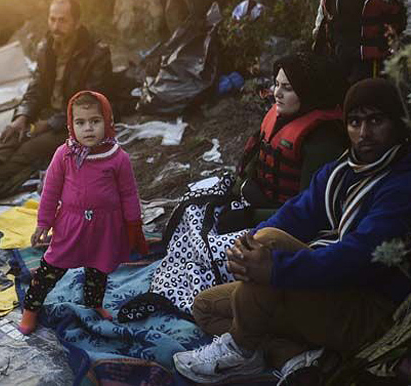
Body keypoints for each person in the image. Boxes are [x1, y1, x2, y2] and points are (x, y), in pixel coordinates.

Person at [173, 78, 411, 385]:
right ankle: (295, 358)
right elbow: (296, 214)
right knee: (206, 307)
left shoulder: (409, 184)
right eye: (355, 122)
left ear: (399, 123)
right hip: (331, 290)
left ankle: (241, 348)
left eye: (376, 121)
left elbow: (358, 259)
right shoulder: (343, 170)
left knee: (270, 249)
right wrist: (246, 246)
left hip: (374, 310)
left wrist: (276, 267)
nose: (364, 133)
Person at [119, 53, 348, 322]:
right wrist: (240, 190)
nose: (277, 93)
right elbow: (254, 163)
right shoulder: (281, 116)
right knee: (192, 210)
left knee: (218, 251)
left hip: (285, 225)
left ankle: (186, 297)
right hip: (257, 200)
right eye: (276, 84)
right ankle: (168, 283)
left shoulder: (322, 140)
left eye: (287, 88)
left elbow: (310, 210)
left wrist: (249, 216)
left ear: (308, 93)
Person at [0, 0, 113, 201]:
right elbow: (35, 89)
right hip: (47, 115)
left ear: (77, 23)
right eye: (52, 19)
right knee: (11, 137)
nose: (56, 26)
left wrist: (50, 124)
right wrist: (22, 116)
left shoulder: (97, 54)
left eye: (62, 20)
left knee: (29, 148)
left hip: (78, 123)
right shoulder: (46, 48)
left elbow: (91, 104)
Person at [17, 91, 148, 335]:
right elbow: (50, 191)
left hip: (105, 226)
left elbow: (129, 194)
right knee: (50, 269)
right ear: (71, 125)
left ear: (108, 121)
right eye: (80, 122)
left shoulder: (118, 158)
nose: (88, 128)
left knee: (98, 269)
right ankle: (30, 309)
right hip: (71, 224)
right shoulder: (64, 155)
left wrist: (134, 225)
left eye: (95, 121)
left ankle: (93, 304)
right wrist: (44, 223)